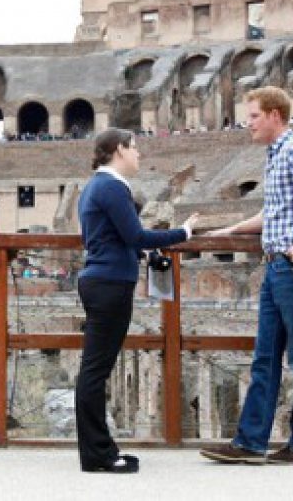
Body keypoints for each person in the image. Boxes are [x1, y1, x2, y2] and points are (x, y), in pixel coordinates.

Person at [199, 86, 293, 465]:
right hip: (277, 266)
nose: (248, 124)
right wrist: (229, 231)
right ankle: (251, 442)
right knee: (265, 357)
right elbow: (274, 213)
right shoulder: (276, 154)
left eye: (254, 117)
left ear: (275, 116)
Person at [75, 128, 197, 474]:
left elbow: (113, 237)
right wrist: (183, 233)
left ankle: (96, 451)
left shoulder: (93, 187)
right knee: (95, 371)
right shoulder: (112, 187)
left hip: (100, 280)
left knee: (94, 368)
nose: (139, 154)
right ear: (118, 151)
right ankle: (99, 454)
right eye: (135, 148)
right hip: (110, 283)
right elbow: (135, 235)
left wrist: (142, 249)